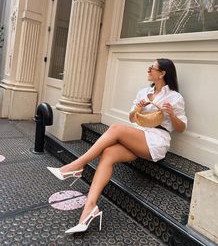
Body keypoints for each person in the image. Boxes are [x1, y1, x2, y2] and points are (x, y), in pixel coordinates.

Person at [47, 58, 187, 234]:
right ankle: (89, 209)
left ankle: (76, 165)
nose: (148, 70)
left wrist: (172, 114)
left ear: (163, 73)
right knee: (108, 153)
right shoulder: (144, 92)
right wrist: (138, 110)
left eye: (152, 68)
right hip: (139, 134)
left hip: (156, 140)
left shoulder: (174, 97)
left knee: (116, 128)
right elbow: (131, 118)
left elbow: (181, 128)